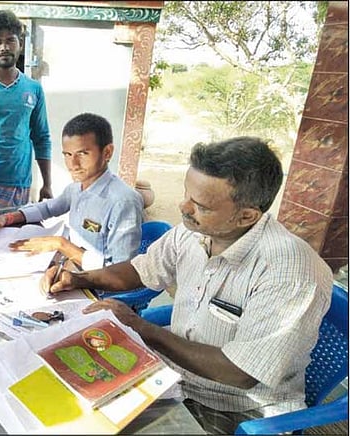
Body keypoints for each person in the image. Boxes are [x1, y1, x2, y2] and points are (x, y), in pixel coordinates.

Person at [45, 136, 333, 434]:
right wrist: (79, 279)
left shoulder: (288, 272)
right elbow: (140, 270)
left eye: (200, 205)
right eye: (187, 194)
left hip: (238, 408)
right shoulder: (194, 232)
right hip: (174, 375)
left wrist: (139, 326)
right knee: (63, 395)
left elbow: (241, 373)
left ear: (246, 216)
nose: (183, 207)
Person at [0, 112, 144, 271]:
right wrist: (6, 218)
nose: (73, 164)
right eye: (68, 154)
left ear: (107, 152)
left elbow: (122, 272)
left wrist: (61, 245)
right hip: (70, 270)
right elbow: (47, 208)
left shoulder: (123, 202)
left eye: (82, 154)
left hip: (98, 284)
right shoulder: (76, 188)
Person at [0, 9, 53, 216]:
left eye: (10, 40)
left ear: (20, 44)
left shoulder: (33, 88)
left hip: (19, 184)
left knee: (12, 234)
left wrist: (47, 184)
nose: (4, 47)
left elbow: (41, 137)